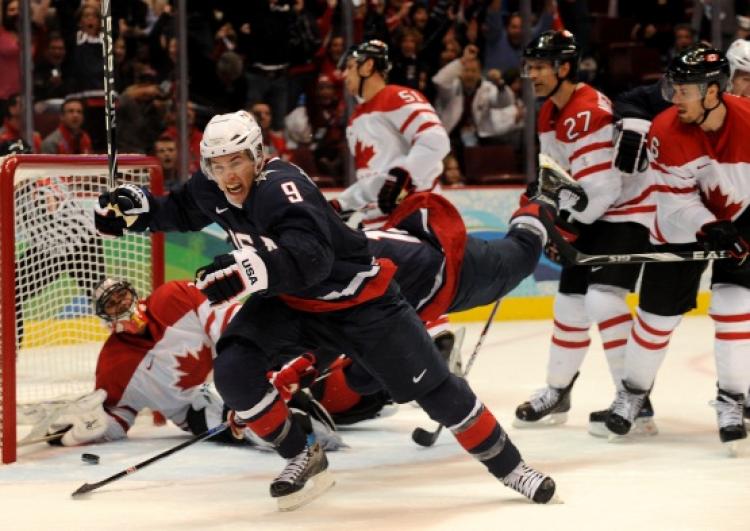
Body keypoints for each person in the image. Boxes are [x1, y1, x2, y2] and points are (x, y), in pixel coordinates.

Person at [94, 109, 561, 510]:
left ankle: (512, 467)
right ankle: (304, 454)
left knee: (436, 389)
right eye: (217, 164)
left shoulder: (283, 187)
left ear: (258, 156)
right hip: (292, 305)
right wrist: (137, 212)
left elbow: (311, 260)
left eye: (237, 161)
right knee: (234, 371)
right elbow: (181, 208)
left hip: (359, 302)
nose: (229, 174)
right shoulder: (212, 186)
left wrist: (248, 272)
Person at [605, 45, 750, 451]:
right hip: (680, 226)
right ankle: (633, 392)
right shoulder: (666, 130)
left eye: (684, 90)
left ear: (712, 92)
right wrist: (709, 226)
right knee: (655, 318)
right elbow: (675, 203)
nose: (674, 97)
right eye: (675, 88)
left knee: (735, 306)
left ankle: (733, 399)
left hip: (744, 214)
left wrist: (734, 227)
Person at [513, 30, 656, 429]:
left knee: (605, 301)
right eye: (531, 66)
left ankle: (637, 403)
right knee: (570, 304)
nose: (533, 74)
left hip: (630, 212)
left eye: (541, 67)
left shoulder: (587, 107)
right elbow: (561, 177)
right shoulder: (549, 112)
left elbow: (604, 186)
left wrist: (567, 229)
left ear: (564, 67)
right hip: (594, 211)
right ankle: (557, 392)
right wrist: (543, 198)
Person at [44, 279, 341, 451]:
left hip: (232, 369)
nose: (122, 306)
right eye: (112, 305)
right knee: (256, 426)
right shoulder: (113, 363)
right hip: (195, 408)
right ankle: (296, 431)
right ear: (104, 318)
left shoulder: (174, 296)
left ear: (135, 293)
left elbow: (225, 323)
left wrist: (254, 366)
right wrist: (93, 428)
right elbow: (121, 417)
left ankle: (346, 398)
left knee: (305, 375)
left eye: (123, 296)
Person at [330, 40, 450, 228]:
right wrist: (343, 203)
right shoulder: (354, 120)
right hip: (378, 221)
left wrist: (404, 177)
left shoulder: (397, 97)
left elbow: (435, 140)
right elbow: (372, 181)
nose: (344, 75)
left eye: (350, 67)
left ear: (368, 66)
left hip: (417, 214)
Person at [15, 174, 105, 346]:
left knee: (102, 297)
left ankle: (136, 338)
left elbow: (51, 202)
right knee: (10, 293)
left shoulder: (39, 181)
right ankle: (9, 354)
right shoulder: (12, 191)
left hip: (81, 242)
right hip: (47, 248)